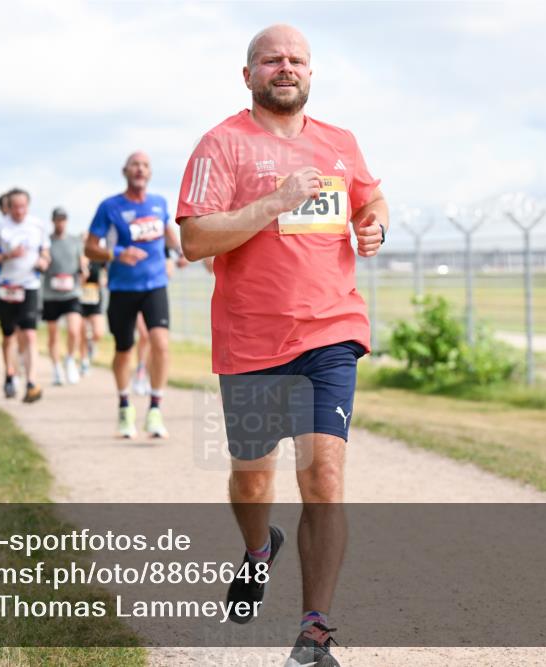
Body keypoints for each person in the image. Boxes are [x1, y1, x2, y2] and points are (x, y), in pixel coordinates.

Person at [176, 25, 387, 667]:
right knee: (251, 476)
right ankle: (258, 547)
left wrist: (373, 223)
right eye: (272, 60)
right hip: (251, 340)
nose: (285, 67)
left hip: (331, 330)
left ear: (310, 73)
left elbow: (369, 197)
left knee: (323, 474)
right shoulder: (221, 145)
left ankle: (314, 630)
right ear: (249, 75)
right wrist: (273, 202)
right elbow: (194, 241)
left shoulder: (340, 143)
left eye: (296, 59)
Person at [85, 151, 182, 439]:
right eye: (135, 165)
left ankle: (155, 409)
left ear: (150, 173)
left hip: (154, 284)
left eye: (145, 165)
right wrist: (117, 253)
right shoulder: (110, 207)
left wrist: (181, 252)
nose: (140, 169)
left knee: (160, 343)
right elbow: (90, 248)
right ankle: (125, 405)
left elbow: (167, 232)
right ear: (125, 171)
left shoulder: (159, 203)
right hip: (122, 288)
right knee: (124, 349)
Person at [0, 187, 50, 403]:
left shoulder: (37, 226)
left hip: (29, 285)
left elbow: (45, 251)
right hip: (4, 286)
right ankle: (10, 374)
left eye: (23, 206)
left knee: (29, 333)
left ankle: (31, 382)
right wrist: (7, 255)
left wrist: (44, 260)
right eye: (15, 207)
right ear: (8, 207)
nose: (20, 211)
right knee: (9, 335)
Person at [42, 207, 85, 386]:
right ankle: (56, 368)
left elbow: (82, 261)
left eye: (63, 219)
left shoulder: (75, 241)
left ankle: (70, 359)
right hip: (51, 294)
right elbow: (42, 260)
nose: (61, 223)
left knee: (74, 330)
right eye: (58, 219)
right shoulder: (46, 242)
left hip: (72, 292)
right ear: (53, 221)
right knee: (53, 335)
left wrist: (84, 269)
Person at [78, 233, 107, 376]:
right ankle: (84, 362)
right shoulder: (77, 258)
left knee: (98, 332)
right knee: (82, 331)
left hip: (95, 296)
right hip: (79, 298)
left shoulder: (98, 256)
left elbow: (105, 271)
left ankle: (91, 345)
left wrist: (104, 279)